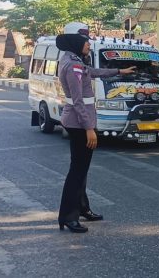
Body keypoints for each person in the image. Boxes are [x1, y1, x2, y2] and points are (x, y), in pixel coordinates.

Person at [56, 22, 136, 233]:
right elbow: (78, 100)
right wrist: (89, 128)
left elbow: (92, 71)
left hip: (78, 121)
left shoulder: (72, 60)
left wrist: (119, 70)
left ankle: (82, 208)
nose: (89, 44)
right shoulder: (72, 65)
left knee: (81, 170)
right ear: (76, 41)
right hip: (79, 123)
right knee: (77, 171)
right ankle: (68, 216)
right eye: (86, 41)